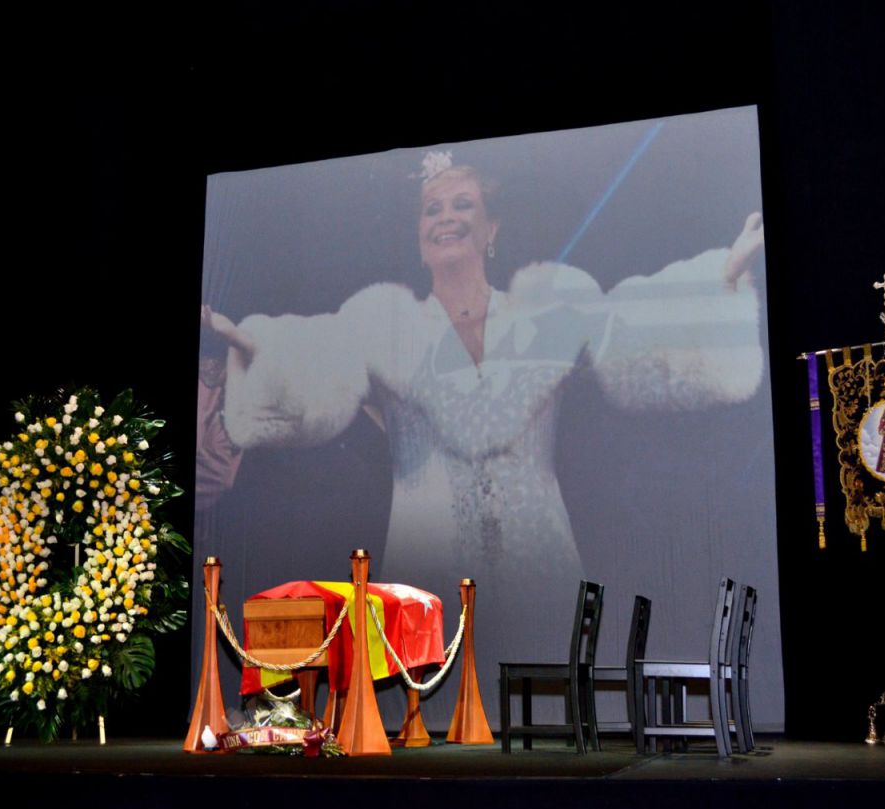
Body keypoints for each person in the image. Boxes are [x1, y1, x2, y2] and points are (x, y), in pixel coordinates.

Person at [201, 153, 765, 634]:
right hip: (426, 568)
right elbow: (315, 368)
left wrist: (721, 282)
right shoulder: (382, 327)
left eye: (462, 204)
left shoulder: (548, 314)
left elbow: (634, 336)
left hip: (539, 559)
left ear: (492, 228)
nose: (445, 217)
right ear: (420, 239)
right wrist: (258, 351)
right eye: (432, 208)